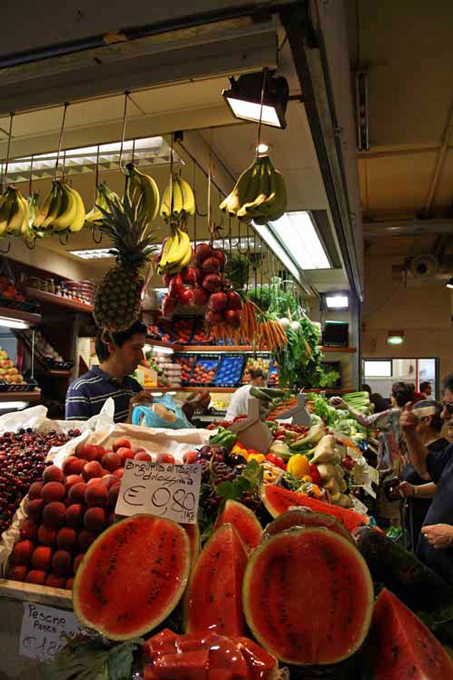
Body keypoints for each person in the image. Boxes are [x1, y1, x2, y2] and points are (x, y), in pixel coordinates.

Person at [400, 374, 453, 583]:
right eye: (444, 406)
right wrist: (410, 433)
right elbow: (425, 470)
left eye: (451, 407)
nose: (444, 414)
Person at [65, 322, 150, 423]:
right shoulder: (81, 390)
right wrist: (130, 419)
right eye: (135, 348)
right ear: (112, 347)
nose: (141, 357)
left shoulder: (134, 387)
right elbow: (79, 438)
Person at [397, 400, 449, 552]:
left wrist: (414, 490)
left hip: (433, 533)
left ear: (427, 419)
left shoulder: (442, 449)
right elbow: (425, 471)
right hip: (417, 529)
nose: (445, 415)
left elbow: (442, 483)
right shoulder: (424, 451)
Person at [332, 382, 415, 471]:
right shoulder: (412, 414)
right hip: (408, 461)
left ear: (392, 395)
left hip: (394, 463)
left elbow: (366, 421)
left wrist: (347, 407)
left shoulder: (392, 414)